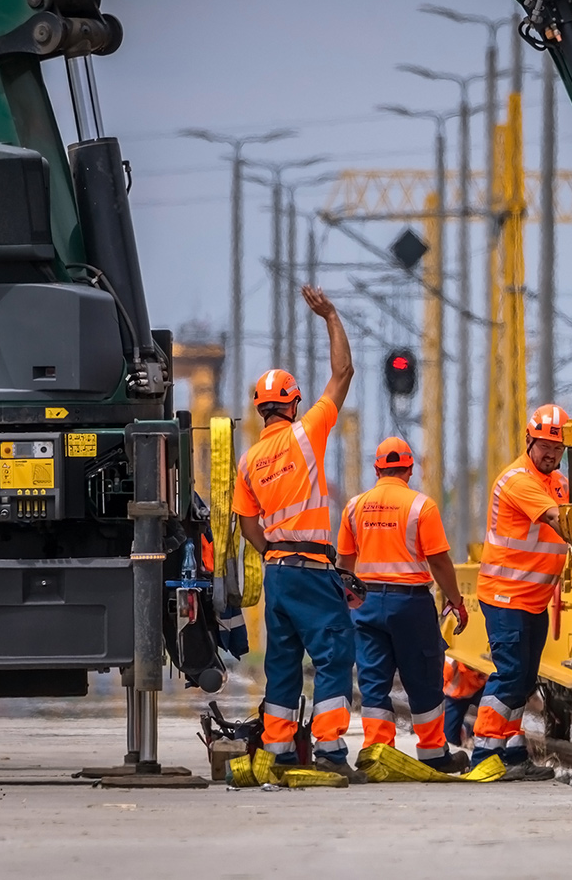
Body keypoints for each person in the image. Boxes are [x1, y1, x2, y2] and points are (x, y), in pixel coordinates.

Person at [233, 285, 357, 782]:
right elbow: (343, 373)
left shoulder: (248, 460)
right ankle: (328, 749)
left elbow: (246, 523)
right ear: (293, 403)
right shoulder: (307, 435)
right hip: (309, 568)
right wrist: (330, 316)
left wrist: (272, 552)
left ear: (261, 409)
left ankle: (280, 751)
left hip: (277, 574)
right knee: (333, 650)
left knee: (282, 662)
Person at [472, 403, 572, 780]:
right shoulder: (519, 481)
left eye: (558, 448)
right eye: (544, 446)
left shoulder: (556, 482)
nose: (551, 454)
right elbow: (559, 519)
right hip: (506, 595)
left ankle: (510, 752)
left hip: (532, 599)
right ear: (529, 441)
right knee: (510, 674)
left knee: (523, 678)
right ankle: (484, 754)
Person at [338, 436, 470, 773]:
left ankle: (378, 753)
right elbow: (440, 562)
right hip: (410, 604)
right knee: (424, 678)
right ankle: (432, 753)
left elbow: (344, 563)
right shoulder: (420, 506)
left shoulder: (354, 507)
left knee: (373, 681)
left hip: (366, 603)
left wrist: (349, 604)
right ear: (409, 469)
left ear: (377, 468)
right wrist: (455, 600)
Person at [442, 657, 488, 748]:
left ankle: (476, 732)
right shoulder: (448, 663)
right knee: (450, 740)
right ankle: (465, 727)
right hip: (456, 698)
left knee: (498, 710)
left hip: (481, 690)